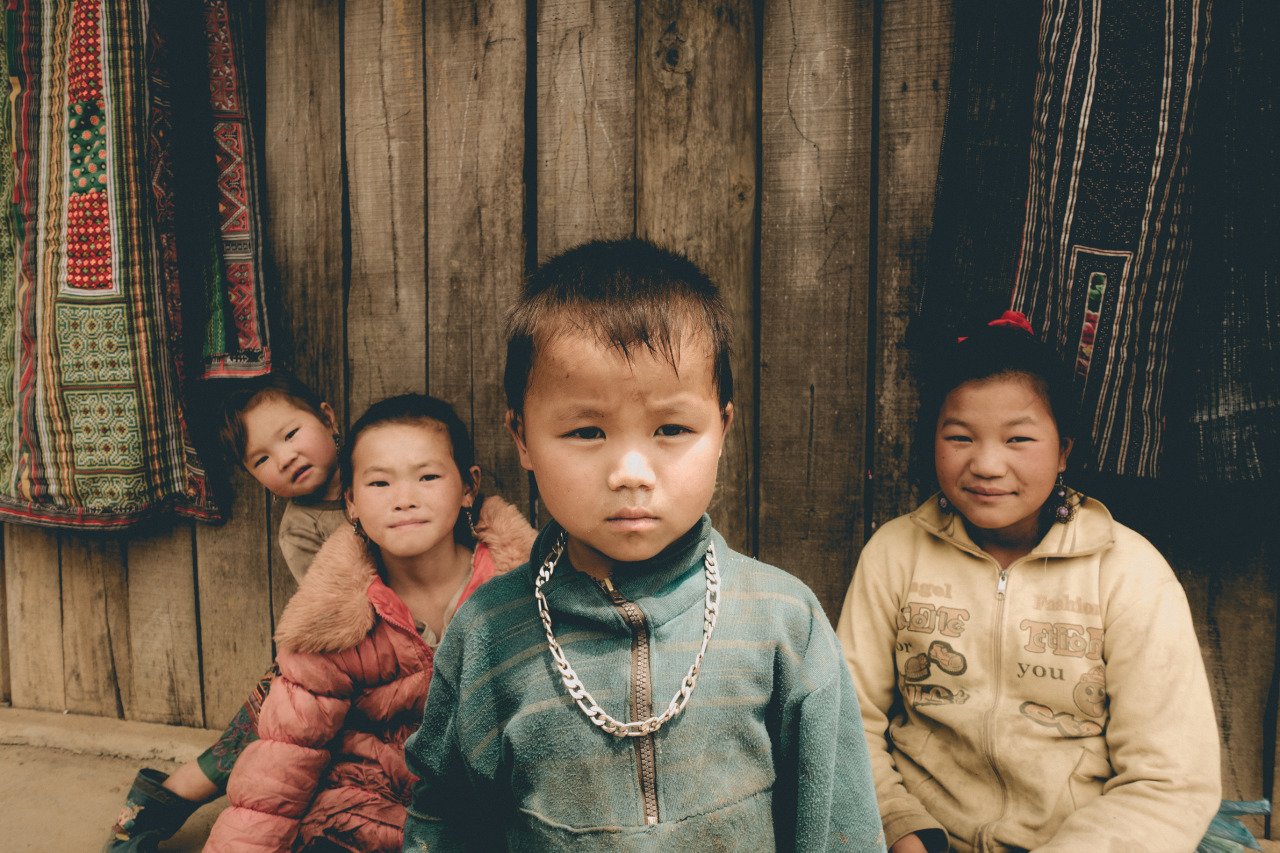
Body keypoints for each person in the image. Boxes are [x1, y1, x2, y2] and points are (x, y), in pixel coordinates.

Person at [402, 238, 886, 851]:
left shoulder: (783, 623)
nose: (631, 470)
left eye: (672, 429)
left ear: (723, 429)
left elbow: (839, 827)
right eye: (586, 430)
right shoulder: (489, 634)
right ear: (521, 438)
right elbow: (443, 824)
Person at [836, 312, 1221, 852]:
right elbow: (846, 723)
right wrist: (900, 825)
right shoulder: (896, 555)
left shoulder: (1128, 573)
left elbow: (1169, 779)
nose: (987, 464)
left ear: (1063, 450)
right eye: (960, 437)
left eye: (1018, 438)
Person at [204, 393, 536, 851]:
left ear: (467, 488)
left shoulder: (523, 591)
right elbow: (280, 769)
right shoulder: (333, 618)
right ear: (352, 504)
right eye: (379, 484)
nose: (404, 499)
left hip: (491, 801)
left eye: (428, 476)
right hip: (368, 802)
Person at [107, 372, 350, 851]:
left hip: (396, 660)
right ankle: (156, 804)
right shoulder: (300, 529)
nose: (285, 457)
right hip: (333, 656)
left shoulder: (378, 467)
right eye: (262, 458)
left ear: (327, 418)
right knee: (258, 734)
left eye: (291, 434)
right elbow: (337, 611)